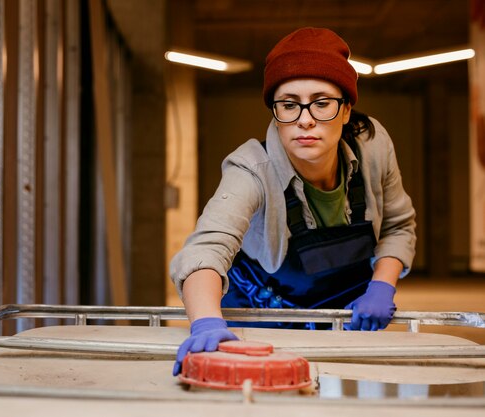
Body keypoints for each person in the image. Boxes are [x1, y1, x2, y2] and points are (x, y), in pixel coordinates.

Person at [169, 27, 416, 376]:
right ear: (276, 113)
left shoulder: (373, 147)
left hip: (343, 318)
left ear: (346, 110)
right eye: (289, 104)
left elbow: (398, 225)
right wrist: (207, 322)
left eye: (322, 102)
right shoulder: (251, 168)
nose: (305, 119)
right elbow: (206, 249)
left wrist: (382, 284)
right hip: (260, 316)